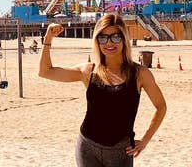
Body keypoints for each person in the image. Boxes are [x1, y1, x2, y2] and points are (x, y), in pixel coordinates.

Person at [38, 14, 167, 167]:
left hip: (121, 151)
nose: (109, 43)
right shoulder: (88, 72)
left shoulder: (140, 74)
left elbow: (161, 107)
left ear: (124, 39)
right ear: (97, 41)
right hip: (87, 148)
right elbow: (45, 72)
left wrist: (145, 140)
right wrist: (47, 39)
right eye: (103, 38)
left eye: (115, 37)